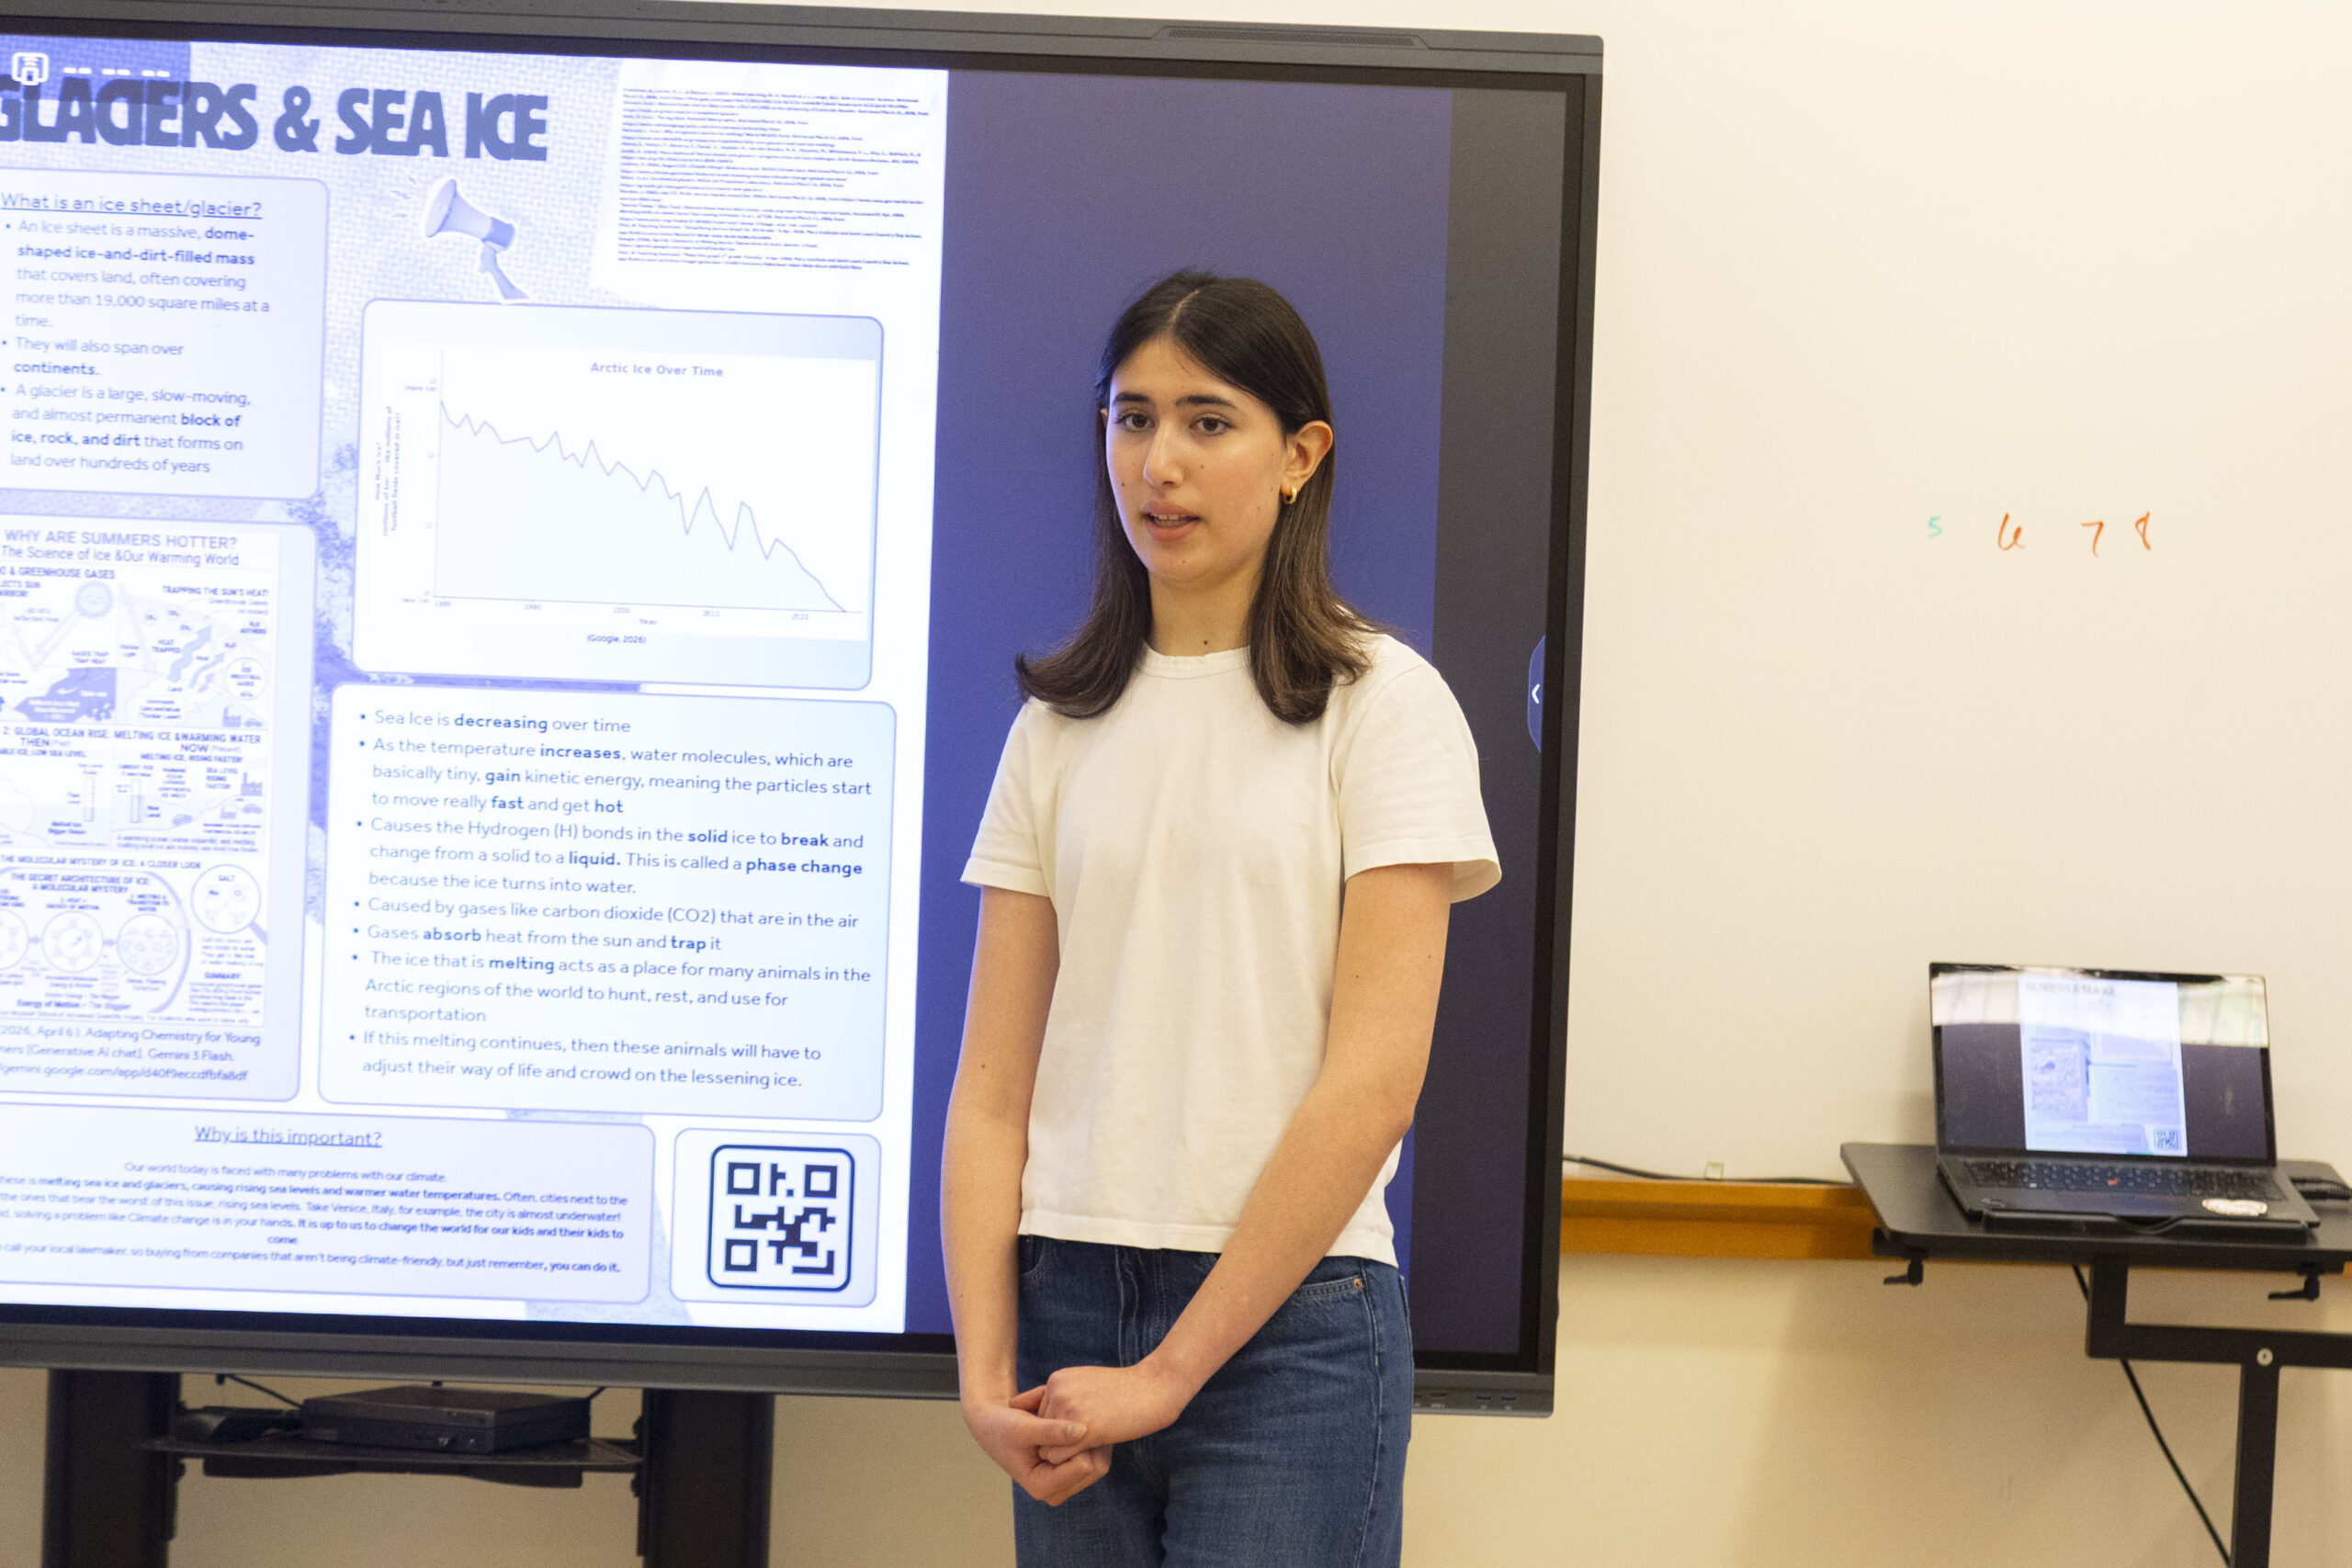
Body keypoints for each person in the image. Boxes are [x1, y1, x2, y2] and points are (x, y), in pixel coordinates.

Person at [941, 269, 1498, 1567]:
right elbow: (992, 1093)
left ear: (1300, 456)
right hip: (1066, 1305)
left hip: (1294, 1330)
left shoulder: (1385, 706)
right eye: (1132, 419)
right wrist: (981, 1378)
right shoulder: (1055, 728)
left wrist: (1172, 1372)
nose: (1161, 464)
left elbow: (1374, 1085)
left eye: (1208, 421)